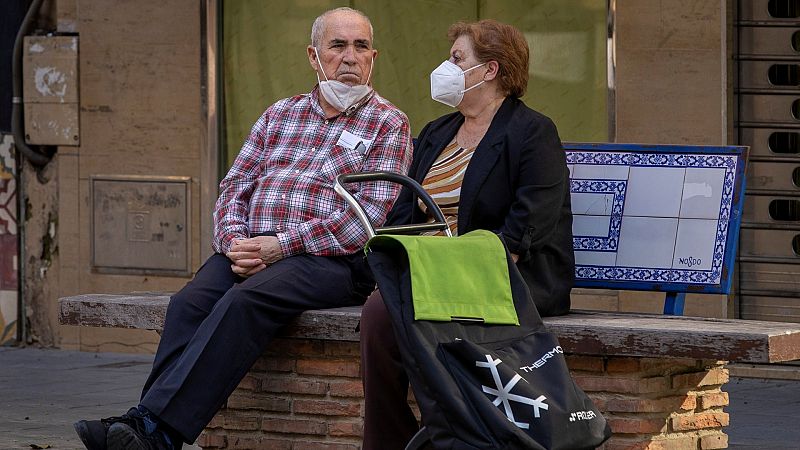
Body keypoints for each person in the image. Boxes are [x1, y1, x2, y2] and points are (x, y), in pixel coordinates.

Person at [74, 7, 412, 450]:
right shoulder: (280, 113)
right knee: (188, 304)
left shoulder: (390, 123)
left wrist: (279, 246)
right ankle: (145, 426)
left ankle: (157, 431)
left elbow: (363, 220)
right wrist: (236, 242)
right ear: (314, 55)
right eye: (338, 45)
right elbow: (236, 185)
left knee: (245, 300)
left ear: (374, 57)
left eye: (361, 46)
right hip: (253, 248)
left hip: (330, 260)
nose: (350, 57)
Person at [360, 19, 574, 449]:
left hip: (507, 274)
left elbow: (528, 225)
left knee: (393, 312)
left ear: (490, 70)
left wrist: (451, 269)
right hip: (432, 273)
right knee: (382, 310)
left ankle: (446, 436)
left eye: (457, 59)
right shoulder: (439, 132)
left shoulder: (532, 132)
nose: (446, 67)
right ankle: (406, 437)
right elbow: (405, 210)